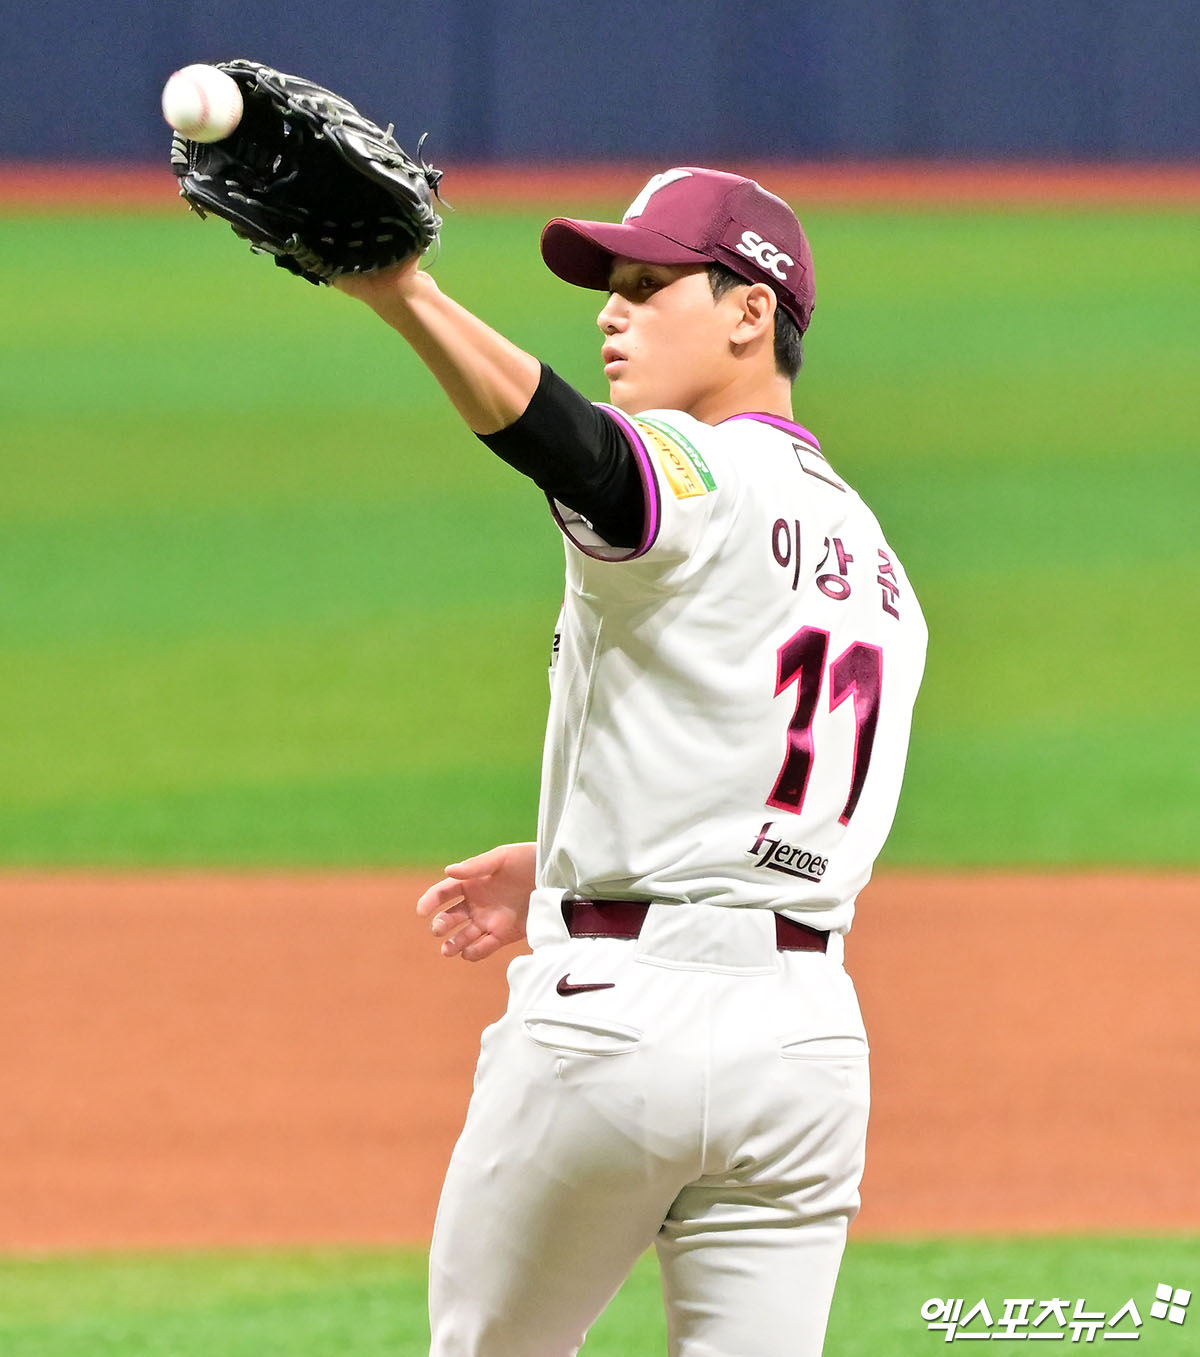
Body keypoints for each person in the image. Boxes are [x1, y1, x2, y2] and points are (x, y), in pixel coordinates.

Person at [335, 167, 927, 1357]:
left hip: (619, 1031)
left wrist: (406, 297)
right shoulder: (877, 560)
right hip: (806, 1047)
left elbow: (592, 464)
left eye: (650, 285)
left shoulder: (698, 466)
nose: (612, 312)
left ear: (751, 312)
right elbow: (761, 770)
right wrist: (570, 858)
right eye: (612, 286)